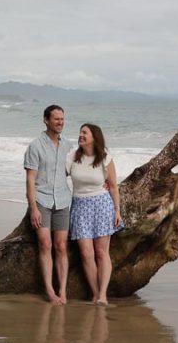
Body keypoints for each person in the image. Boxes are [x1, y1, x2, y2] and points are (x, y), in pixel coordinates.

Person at [66, 123, 123, 305]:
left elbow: (113, 186)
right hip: (80, 206)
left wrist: (117, 211)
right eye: (80, 132)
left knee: (101, 252)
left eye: (85, 133)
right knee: (86, 253)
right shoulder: (72, 156)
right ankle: (95, 293)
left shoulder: (105, 158)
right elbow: (58, 176)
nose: (80, 135)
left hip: (102, 205)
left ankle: (103, 295)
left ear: (94, 137)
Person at [24, 104, 73, 305]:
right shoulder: (35, 146)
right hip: (42, 200)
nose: (60, 122)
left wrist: (103, 181)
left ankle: (63, 290)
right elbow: (30, 179)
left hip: (63, 200)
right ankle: (50, 291)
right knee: (45, 244)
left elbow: (77, 170)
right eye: (56, 119)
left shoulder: (68, 146)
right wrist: (33, 208)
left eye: (62, 119)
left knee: (61, 246)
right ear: (46, 120)